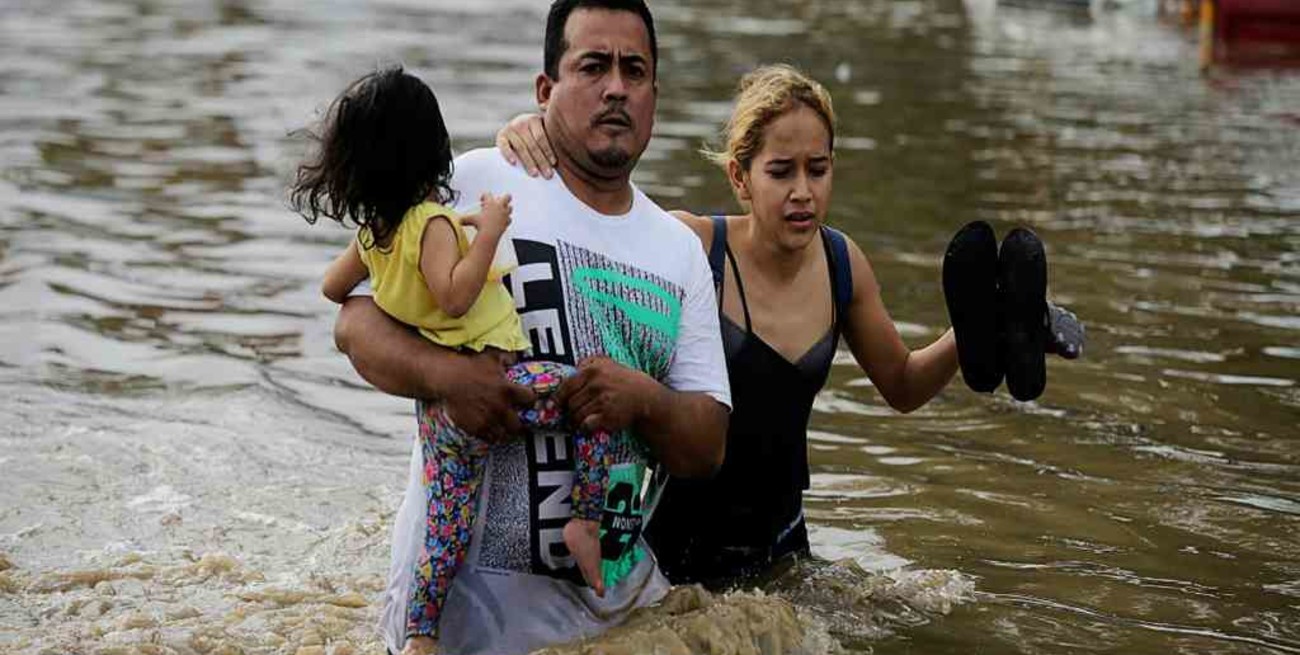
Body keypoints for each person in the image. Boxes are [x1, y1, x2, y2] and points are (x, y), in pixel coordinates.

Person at [497, 63, 1084, 588]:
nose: (803, 191)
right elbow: (589, 223)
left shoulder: (840, 263)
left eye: (818, 169)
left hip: (783, 555)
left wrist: (971, 330)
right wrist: (535, 135)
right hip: (672, 556)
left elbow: (902, 385)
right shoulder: (690, 246)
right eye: (781, 172)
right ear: (740, 177)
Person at [328, 2, 731, 654]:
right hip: (458, 627)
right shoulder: (471, 184)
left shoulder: (677, 249)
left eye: (635, 70)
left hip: (612, 623)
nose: (616, 88)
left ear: (655, 93)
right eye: (593, 66)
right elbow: (353, 320)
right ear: (546, 90)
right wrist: (448, 377)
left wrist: (642, 398)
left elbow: (707, 443)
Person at [290, 67, 619, 655]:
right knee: (588, 396)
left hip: (439, 414)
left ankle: (420, 635)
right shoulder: (433, 223)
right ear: (431, 149)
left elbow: (332, 288)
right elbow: (456, 293)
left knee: (446, 531)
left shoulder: (374, 235)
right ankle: (585, 523)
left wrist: (393, 286)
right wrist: (489, 231)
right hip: (500, 379)